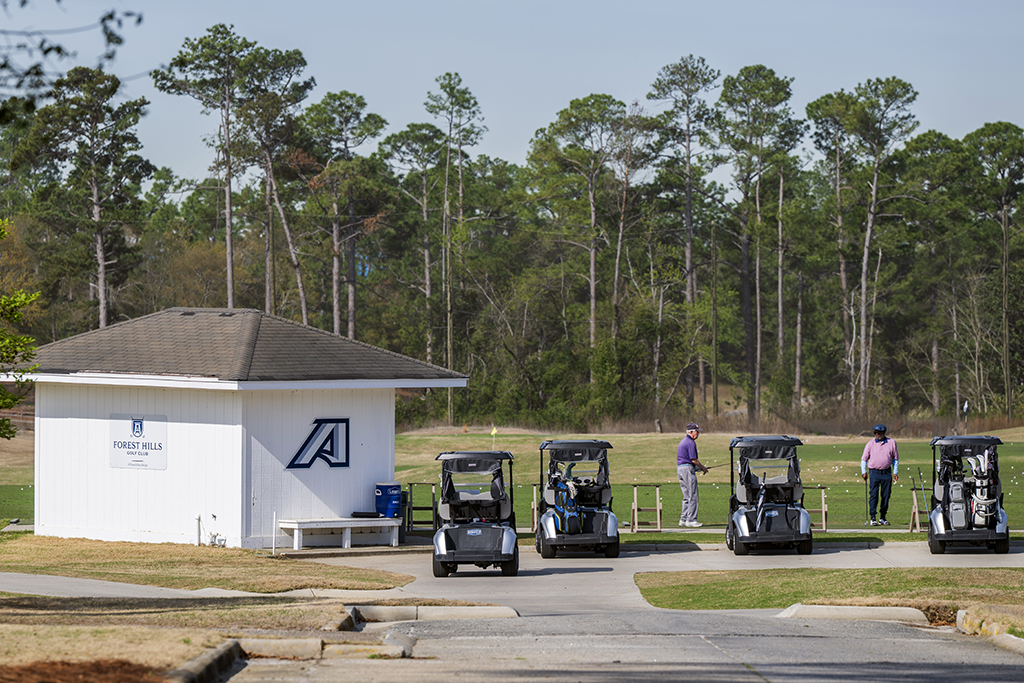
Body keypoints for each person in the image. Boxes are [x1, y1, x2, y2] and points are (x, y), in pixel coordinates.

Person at [861, 423, 899, 526]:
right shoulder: (870, 444)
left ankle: (882, 517)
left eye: (878, 433)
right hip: (874, 472)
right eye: (875, 433)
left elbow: (895, 459)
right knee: (874, 495)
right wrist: (863, 471)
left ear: (884, 433)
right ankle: (873, 517)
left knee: (886, 495)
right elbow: (864, 459)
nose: (876, 435)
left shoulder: (892, 443)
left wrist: (895, 472)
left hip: (886, 472)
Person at [677, 422, 709, 527]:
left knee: (686, 495)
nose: (698, 434)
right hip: (687, 469)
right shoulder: (690, 442)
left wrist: (697, 468)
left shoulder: (683, 441)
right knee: (693, 495)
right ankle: (691, 520)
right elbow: (694, 460)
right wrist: (703, 468)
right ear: (691, 432)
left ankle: (683, 519)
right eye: (697, 432)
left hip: (681, 469)